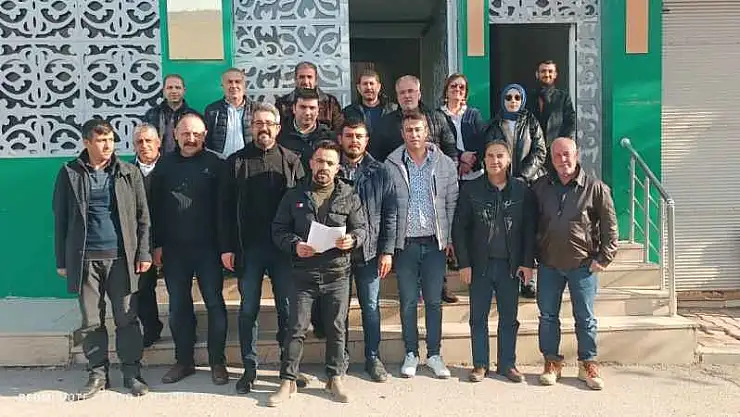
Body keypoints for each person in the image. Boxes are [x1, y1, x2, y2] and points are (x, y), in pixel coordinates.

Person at [53, 119, 151, 400]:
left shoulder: (128, 172)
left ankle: (131, 372)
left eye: (110, 140)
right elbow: (60, 219)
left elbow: (143, 217)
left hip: (121, 258)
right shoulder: (70, 173)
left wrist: (143, 252)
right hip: (85, 260)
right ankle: (97, 373)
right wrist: (62, 261)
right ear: (87, 143)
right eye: (100, 140)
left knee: (126, 318)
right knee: (91, 320)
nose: (107, 145)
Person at [269, 141, 367, 406]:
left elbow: (362, 229)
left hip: (337, 274)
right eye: (320, 161)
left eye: (330, 163)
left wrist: (352, 240)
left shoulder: (349, 194)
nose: (324, 167)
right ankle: (288, 380)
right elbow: (278, 229)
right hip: (303, 274)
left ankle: (335, 378)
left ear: (338, 168)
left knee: (336, 327)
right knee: (296, 327)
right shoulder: (294, 194)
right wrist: (294, 245)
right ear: (311, 163)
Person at [218, 103, 306, 394]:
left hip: (284, 250)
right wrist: (227, 247)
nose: (263, 128)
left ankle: (288, 369)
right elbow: (224, 209)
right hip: (249, 249)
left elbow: (303, 206)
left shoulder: (292, 160)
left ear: (278, 128)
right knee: (248, 310)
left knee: (286, 309)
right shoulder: (236, 162)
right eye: (258, 123)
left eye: (269, 123)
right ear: (251, 127)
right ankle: (250, 369)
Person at [532, 137, 618, 391]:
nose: (563, 160)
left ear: (576, 155)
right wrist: (530, 257)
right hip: (548, 263)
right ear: (551, 159)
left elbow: (610, 227)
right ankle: (551, 362)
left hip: (583, 265)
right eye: (557, 155)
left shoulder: (596, 188)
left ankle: (587, 363)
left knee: (585, 318)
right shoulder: (540, 187)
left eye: (567, 154)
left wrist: (604, 258)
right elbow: (529, 225)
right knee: (548, 316)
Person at [149, 113, 228, 386]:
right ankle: (183, 361)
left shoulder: (217, 164)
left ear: (205, 135)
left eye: (196, 134)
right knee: (178, 307)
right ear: (175, 135)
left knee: (215, 304)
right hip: (174, 250)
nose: (190, 138)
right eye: (185, 133)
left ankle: (218, 362)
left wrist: (226, 247)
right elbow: (155, 208)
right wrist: (156, 245)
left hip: (209, 250)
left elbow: (225, 209)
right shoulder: (164, 165)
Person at [452, 140, 536, 383]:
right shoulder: (471, 190)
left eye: (500, 156)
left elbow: (529, 229)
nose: (494, 160)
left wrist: (527, 263)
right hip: (480, 265)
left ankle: (507, 364)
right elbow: (460, 229)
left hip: (510, 265)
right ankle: (480, 364)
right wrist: (464, 263)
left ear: (508, 160)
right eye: (490, 156)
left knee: (509, 318)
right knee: (478, 318)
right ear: (484, 160)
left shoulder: (521, 190)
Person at [384, 111, 458, 379]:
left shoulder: (444, 163)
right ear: (402, 134)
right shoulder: (391, 164)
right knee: (407, 302)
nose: (414, 134)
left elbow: (452, 201)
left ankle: (435, 354)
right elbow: (388, 207)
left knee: (434, 302)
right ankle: (411, 353)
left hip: (435, 244)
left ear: (426, 132)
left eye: (418, 129)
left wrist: (449, 238)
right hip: (406, 245)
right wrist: (389, 247)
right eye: (409, 130)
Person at [337, 119, 397, 382]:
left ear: (366, 140)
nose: (354, 141)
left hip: (369, 252)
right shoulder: (331, 167)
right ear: (341, 139)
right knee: (339, 309)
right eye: (349, 135)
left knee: (370, 307)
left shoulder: (381, 171)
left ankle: (373, 357)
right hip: (337, 252)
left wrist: (387, 251)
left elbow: (390, 214)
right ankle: (340, 358)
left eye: (359, 136)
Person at [481, 83, 546, 299]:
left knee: (528, 229)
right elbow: (491, 152)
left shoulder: (531, 122)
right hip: (501, 186)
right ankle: (506, 277)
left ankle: (528, 279)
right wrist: (505, 178)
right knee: (505, 230)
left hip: (528, 184)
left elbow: (539, 151)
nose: (513, 101)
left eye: (517, 97)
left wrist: (523, 177)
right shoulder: (494, 124)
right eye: (508, 97)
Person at [370, 75, 458, 163]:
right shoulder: (385, 124)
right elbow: (376, 158)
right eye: (402, 92)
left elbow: (451, 152)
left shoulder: (437, 119)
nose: (407, 96)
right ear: (397, 96)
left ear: (419, 94)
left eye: (410, 91)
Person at [131, 123, 164, 347]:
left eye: (148, 141)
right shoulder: (126, 171)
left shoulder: (171, 167)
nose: (144, 146)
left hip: (170, 237)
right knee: (143, 288)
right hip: (141, 240)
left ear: (158, 143)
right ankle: (152, 328)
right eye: (139, 142)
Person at [438, 73, 486, 183]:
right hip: (448, 176)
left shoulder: (474, 114)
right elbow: (438, 144)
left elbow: (483, 141)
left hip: (475, 175)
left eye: (462, 87)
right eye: (453, 86)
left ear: (465, 93)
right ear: (446, 91)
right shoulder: (438, 115)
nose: (457, 89)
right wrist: (461, 157)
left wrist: (470, 163)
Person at [277, 87, 335, 172]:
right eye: (303, 107)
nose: (307, 112)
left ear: (318, 111)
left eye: (312, 108)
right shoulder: (280, 136)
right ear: (294, 108)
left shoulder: (328, 137)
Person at [275, 61, 343, 131]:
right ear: (295, 79)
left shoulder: (330, 103)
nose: (305, 82)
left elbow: (339, 129)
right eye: (301, 77)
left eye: (309, 77)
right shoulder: (282, 104)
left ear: (316, 80)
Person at [204, 68, 256, 158]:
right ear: (223, 86)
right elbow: (206, 141)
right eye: (229, 82)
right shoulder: (212, 110)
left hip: (248, 160)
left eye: (237, 82)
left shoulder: (256, 109)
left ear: (244, 85)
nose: (233, 85)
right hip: (220, 161)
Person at [142, 74, 196, 154]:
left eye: (177, 87)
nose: (174, 91)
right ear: (163, 91)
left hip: (186, 159)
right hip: (158, 159)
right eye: (170, 88)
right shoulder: (151, 114)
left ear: (184, 90)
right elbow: (143, 139)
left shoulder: (194, 116)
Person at [527, 60, 576, 147]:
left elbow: (570, 123)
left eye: (550, 71)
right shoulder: (528, 97)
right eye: (543, 71)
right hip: (532, 148)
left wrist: (562, 144)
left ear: (555, 74)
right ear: (537, 74)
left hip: (556, 149)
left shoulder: (563, 97)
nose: (547, 74)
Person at [341, 69, 398, 135]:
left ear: (378, 87)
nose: (368, 87)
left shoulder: (393, 109)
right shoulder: (348, 112)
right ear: (359, 88)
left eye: (371, 83)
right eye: (365, 84)